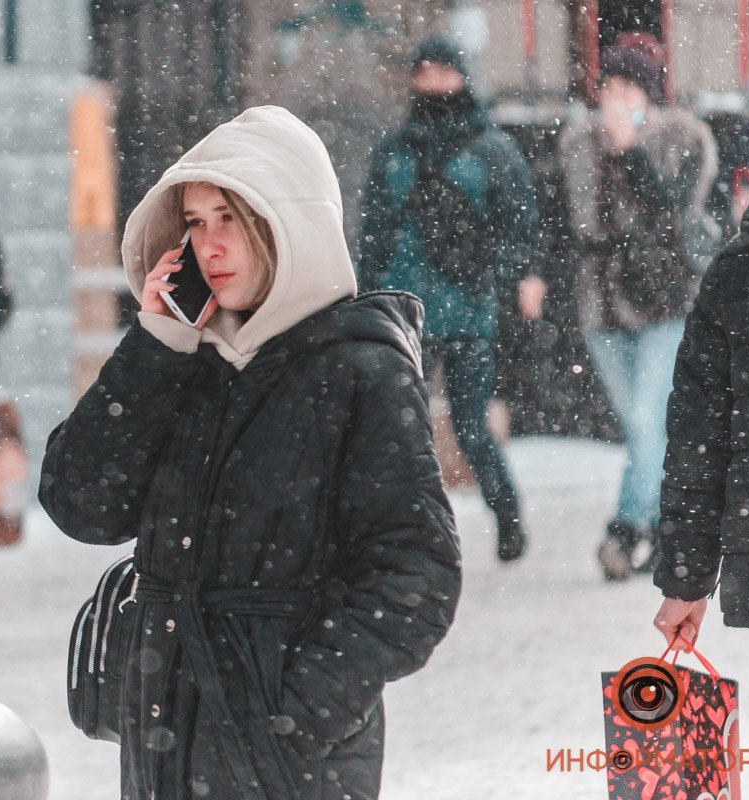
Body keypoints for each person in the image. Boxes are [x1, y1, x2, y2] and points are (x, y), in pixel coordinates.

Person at [40, 106, 461, 799]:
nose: (209, 246)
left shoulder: (361, 371)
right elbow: (81, 505)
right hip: (162, 742)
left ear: (287, 225)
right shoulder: (182, 359)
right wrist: (154, 346)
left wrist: (297, 713)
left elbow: (417, 573)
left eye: (230, 218)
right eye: (195, 222)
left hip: (289, 764)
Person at [357, 33, 541, 562]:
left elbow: (521, 224)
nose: (433, 82)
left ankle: (507, 514)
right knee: (398, 427)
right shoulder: (395, 150)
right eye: (424, 72)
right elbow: (374, 231)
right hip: (403, 309)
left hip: (468, 312)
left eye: (443, 71)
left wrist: (502, 274)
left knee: (469, 425)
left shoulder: (490, 149)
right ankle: (404, 532)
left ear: (462, 76)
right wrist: (367, 297)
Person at [558, 46, 717, 581]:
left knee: (649, 420)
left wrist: (630, 152)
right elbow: (571, 225)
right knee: (639, 426)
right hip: (601, 303)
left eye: (630, 89)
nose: (617, 100)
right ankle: (666, 526)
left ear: (650, 96)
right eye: (609, 88)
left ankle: (627, 530)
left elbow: (672, 215)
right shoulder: (579, 145)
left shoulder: (684, 139)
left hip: (664, 298)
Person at [651, 164, 749, 667]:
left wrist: (687, 577)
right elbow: (701, 437)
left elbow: (701, 439)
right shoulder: (741, 272)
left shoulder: (742, 270)